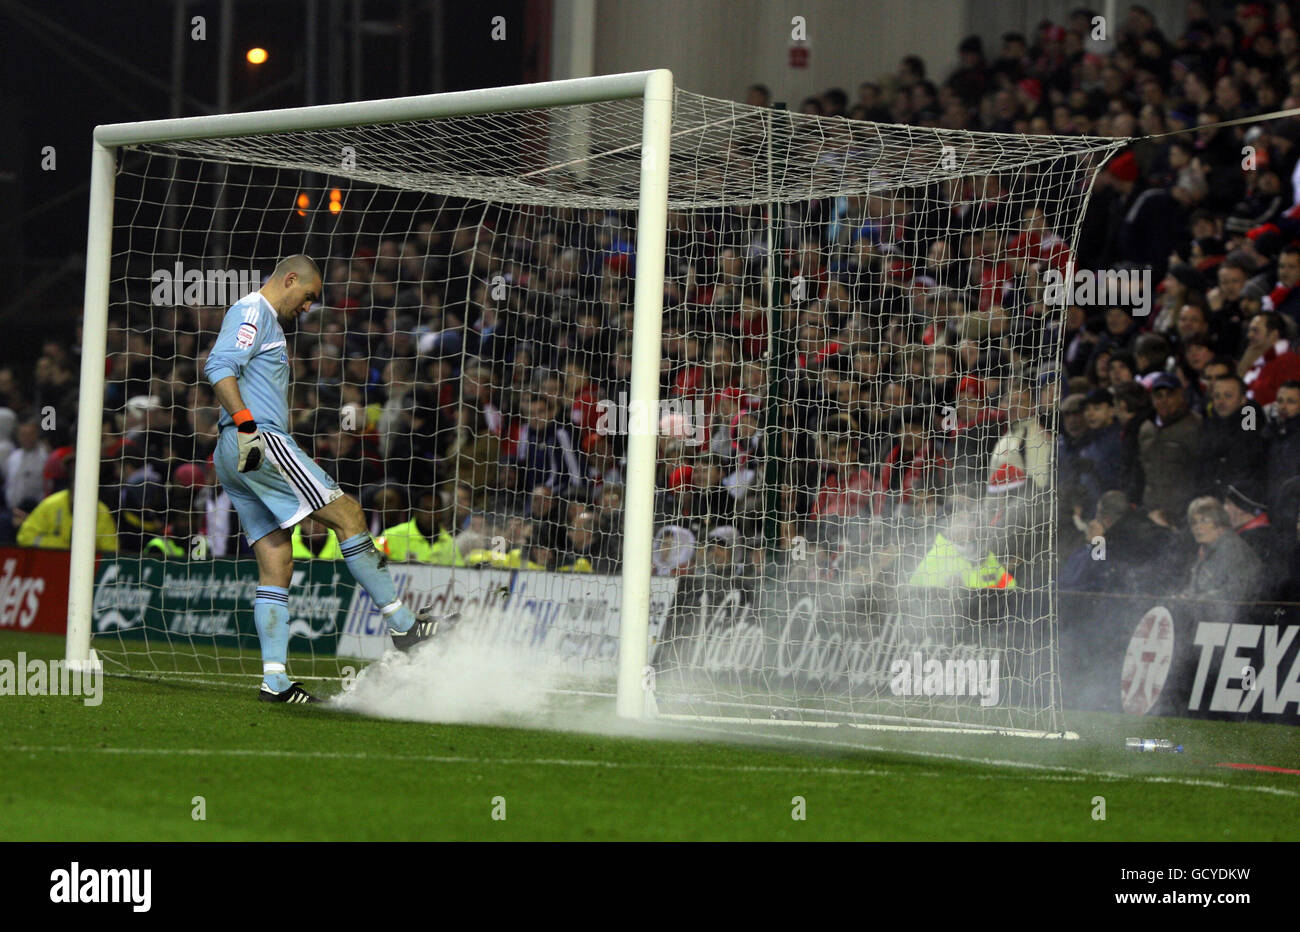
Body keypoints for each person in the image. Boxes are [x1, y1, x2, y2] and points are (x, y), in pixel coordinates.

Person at [204, 254, 444, 704]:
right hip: (256, 440)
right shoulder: (253, 311)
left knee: (277, 559)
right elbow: (218, 367)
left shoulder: (268, 322)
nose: (309, 306)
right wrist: (248, 425)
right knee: (349, 514)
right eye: (309, 296)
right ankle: (404, 626)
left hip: (232, 453)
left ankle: (274, 680)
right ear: (290, 279)